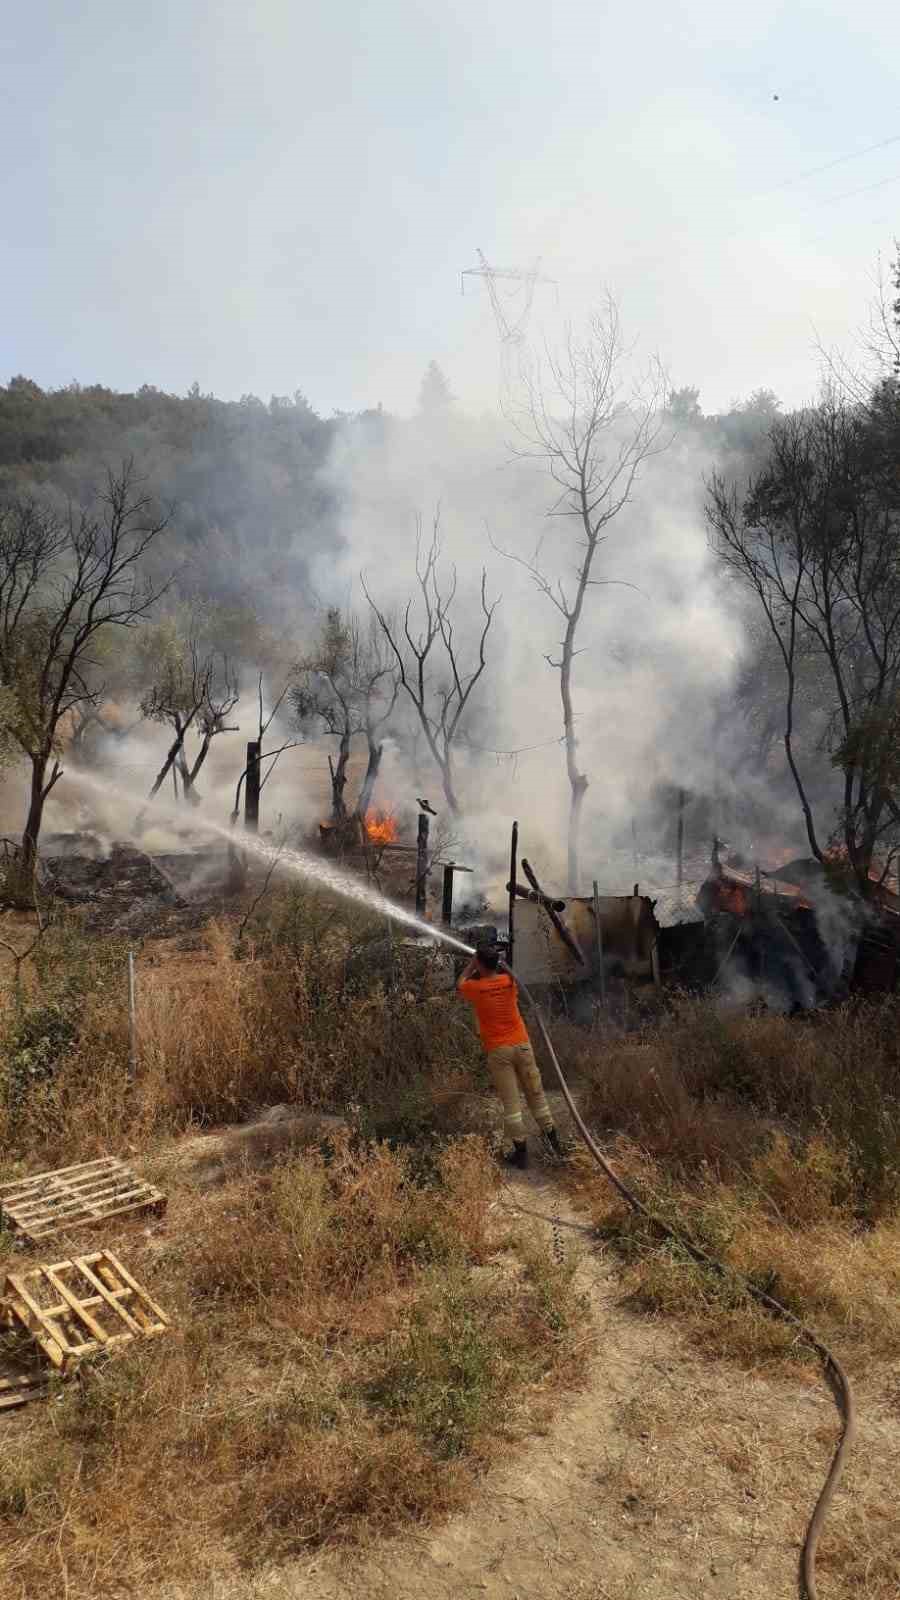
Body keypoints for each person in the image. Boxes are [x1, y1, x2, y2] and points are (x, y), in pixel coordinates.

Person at [457, 943, 563, 1169]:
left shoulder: (475, 988)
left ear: (479, 964)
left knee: (511, 1103)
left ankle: (521, 1154)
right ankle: (555, 1144)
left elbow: (461, 983)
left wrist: (471, 965)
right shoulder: (509, 982)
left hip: (499, 1051)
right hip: (523, 1046)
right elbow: (509, 974)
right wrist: (496, 963)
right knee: (536, 1094)